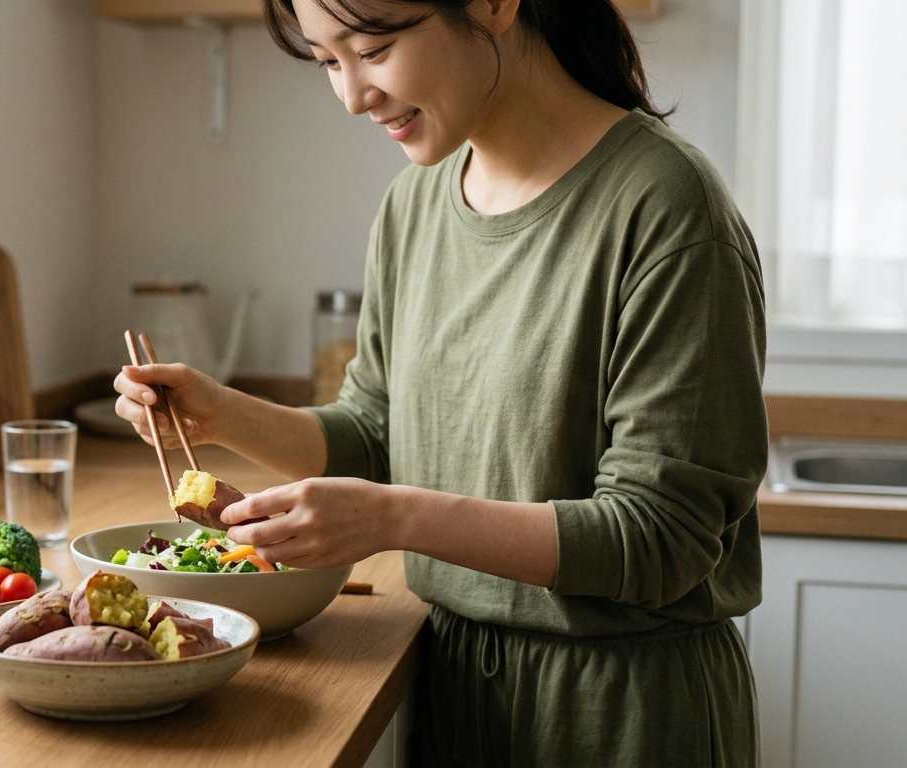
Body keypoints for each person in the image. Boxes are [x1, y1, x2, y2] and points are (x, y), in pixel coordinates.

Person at [114, 0, 766, 764]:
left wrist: (394, 519)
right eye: (328, 61)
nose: (354, 96)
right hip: (454, 682)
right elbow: (378, 433)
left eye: (375, 47)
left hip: (620, 710)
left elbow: (664, 537)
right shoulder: (414, 203)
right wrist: (219, 416)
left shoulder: (667, 207)